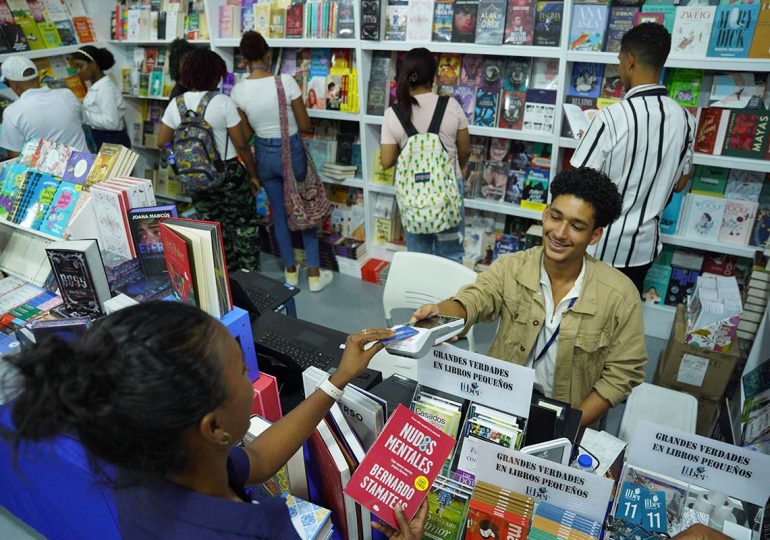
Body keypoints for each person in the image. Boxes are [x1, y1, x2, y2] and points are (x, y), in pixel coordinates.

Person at [3, 301, 427, 539]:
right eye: (242, 373)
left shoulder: (159, 472)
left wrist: (338, 381)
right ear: (214, 428)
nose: (251, 380)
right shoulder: (252, 532)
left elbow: (257, 459)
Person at [412, 168, 647, 427]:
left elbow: (622, 373)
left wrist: (569, 426)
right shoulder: (511, 267)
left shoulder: (620, 295)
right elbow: (475, 299)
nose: (559, 233)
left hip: (568, 414)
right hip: (498, 404)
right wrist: (440, 313)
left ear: (594, 235)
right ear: (545, 213)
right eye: (555, 217)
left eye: (576, 226)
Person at [570, 23, 696, 294]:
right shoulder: (686, 120)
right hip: (644, 250)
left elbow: (576, 186)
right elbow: (680, 182)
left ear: (629, 60)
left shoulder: (611, 117)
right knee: (621, 323)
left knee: (585, 320)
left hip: (600, 248)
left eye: (619, 60)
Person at [231, 31, 334, 292]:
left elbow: (244, 136)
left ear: (244, 60)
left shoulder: (238, 91)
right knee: (306, 206)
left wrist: (253, 167)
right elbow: (304, 124)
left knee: (278, 214)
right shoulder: (285, 82)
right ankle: (313, 273)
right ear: (268, 55)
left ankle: (289, 272)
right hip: (292, 152)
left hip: (263, 154)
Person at [157, 49, 261, 272]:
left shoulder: (177, 104)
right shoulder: (222, 101)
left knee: (215, 230)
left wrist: (183, 163)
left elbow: (162, 141)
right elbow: (241, 143)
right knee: (244, 227)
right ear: (215, 74)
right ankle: (252, 280)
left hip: (196, 180)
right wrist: (252, 175)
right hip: (229, 175)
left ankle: (229, 282)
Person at [380, 47, 470, 263]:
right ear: (434, 75)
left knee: (418, 257)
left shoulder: (393, 113)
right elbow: (464, 150)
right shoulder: (451, 106)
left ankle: (423, 297)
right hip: (448, 188)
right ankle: (449, 297)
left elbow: (386, 161)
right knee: (451, 255)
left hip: (414, 195)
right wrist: (461, 169)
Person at [0, 55, 88, 155]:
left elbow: (14, 155)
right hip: (84, 166)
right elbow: (83, 121)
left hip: (48, 170)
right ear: (38, 78)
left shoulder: (12, 112)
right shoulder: (67, 95)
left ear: (13, 85)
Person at [70, 46, 131, 152]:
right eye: (76, 68)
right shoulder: (96, 86)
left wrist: (84, 115)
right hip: (103, 139)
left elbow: (111, 122)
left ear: (93, 64)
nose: (78, 71)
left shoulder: (105, 89)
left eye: (80, 66)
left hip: (112, 141)